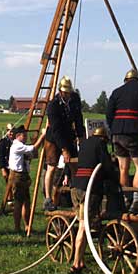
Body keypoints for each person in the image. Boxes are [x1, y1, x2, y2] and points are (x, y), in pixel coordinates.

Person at [106, 68, 138, 214]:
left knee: (123, 168)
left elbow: (109, 114)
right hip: (133, 133)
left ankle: (125, 199)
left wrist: (113, 130)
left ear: (126, 80)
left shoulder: (117, 91)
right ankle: (137, 200)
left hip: (117, 134)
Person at [69, 126, 117, 274]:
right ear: (103, 138)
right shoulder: (100, 144)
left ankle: (81, 261)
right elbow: (106, 165)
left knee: (83, 224)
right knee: (84, 226)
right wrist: (114, 178)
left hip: (76, 187)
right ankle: (76, 264)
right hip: (88, 190)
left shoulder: (84, 143)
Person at [44, 76, 84, 211]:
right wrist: (64, 149)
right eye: (65, 92)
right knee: (52, 166)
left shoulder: (75, 100)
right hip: (54, 139)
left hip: (68, 136)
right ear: (60, 91)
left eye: (69, 92)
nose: (67, 95)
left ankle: (77, 197)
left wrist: (81, 136)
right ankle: (48, 199)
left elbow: (78, 119)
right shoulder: (53, 105)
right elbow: (56, 130)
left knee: (75, 166)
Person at [6, 124, 47, 233]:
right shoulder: (17, 145)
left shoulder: (21, 146)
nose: (25, 137)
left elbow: (32, 154)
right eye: (24, 135)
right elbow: (33, 148)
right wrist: (42, 136)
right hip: (17, 176)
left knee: (26, 203)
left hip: (23, 176)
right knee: (19, 203)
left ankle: (27, 226)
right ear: (18, 136)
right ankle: (17, 227)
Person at [0, 123, 14, 214]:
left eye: (12, 131)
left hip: (13, 166)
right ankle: (10, 200)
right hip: (6, 166)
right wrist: (2, 169)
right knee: (8, 183)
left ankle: (14, 200)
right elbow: (1, 156)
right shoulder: (3, 142)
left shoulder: (15, 141)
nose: (11, 133)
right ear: (7, 131)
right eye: (10, 131)